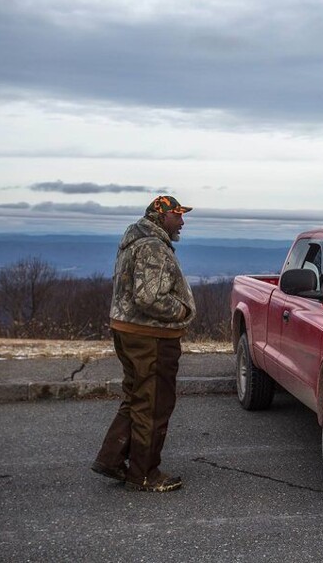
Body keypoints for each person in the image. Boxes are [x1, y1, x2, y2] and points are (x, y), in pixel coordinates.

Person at [91, 195, 197, 492]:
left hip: (129, 330)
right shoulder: (152, 246)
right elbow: (149, 297)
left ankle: (111, 458)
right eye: (178, 215)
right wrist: (183, 311)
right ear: (162, 216)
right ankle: (145, 473)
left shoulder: (136, 240)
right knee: (153, 403)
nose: (182, 221)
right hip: (150, 335)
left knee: (136, 396)